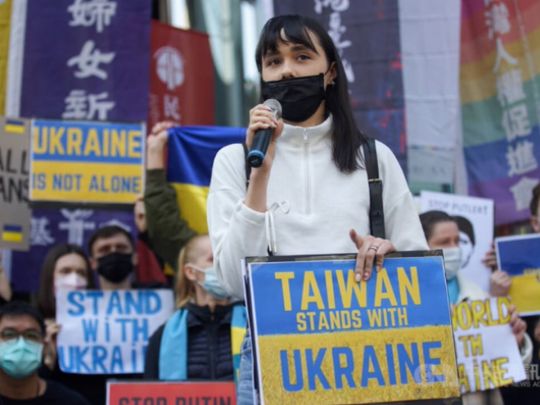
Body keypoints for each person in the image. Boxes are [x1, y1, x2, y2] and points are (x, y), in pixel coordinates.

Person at [207, 14, 427, 403]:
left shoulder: (373, 158)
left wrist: (387, 253)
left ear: (331, 73)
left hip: (365, 353)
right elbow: (232, 282)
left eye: (302, 57)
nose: (287, 71)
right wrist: (260, 174)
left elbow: (420, 274)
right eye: (274, 61)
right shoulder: (235, 160)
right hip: (273, 355)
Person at [420, 210, 533, 405]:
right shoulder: (410, 302)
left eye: (457, 241)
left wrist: (515, 343)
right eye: (445, 242)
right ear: (422, 246)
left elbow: (514, 371)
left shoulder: (479, 296)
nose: (455, 248)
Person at [144, 235, 246, 381]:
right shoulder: (162, 337)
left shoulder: (253, 327)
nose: (222, 265)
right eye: (213, 259)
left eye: (225, 258)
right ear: (191, 272)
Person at [0, 301, 89, 404]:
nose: (21, 345)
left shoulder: (70, 401)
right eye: (9, 335)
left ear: (44, 343)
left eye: (31, 335)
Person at [88, 225, 140, 290]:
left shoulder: (152, 292)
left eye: (121, 247)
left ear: (134, 258)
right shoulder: (80, 296)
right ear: (92, 263)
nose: (114, 252)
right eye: (105, 249)